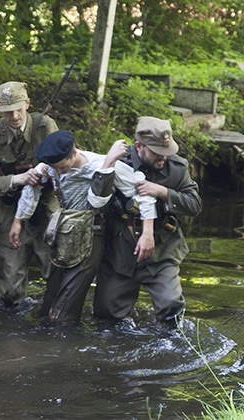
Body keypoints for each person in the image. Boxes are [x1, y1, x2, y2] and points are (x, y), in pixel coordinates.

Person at [9, 130, 157, 326]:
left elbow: (141, 195)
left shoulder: (99, 164)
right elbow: (32, 187)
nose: (59, 173)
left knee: (64, 313)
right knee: (49, 304)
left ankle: (65, 344)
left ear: (74, 153)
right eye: (56, 169)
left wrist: (147, 233)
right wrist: (18, 221)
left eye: (62, 168)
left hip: (92, 235)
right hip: (63, 234)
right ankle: (48, 334)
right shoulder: (50, 165)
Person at [94, 116, 202, 327]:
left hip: (162, 250)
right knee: (107, 314)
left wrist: (163, 192)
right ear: (138, 146)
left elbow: (194, 205)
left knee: (172, 307)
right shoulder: (118, 162)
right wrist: (107, 164)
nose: (163, 158)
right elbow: (96, 197)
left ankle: (170, 348)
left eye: (167, 152)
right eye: (156, 153)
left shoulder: (177, 168)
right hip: (120, 250)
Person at [0, 81, 60, 308]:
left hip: (46, 204)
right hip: (10, 205)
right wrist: (17, 180)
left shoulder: (45, 126)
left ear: (27, 103)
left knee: (56, 270)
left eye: (18, 109)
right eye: (6, 111)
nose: (13, 116)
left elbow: (62, 165)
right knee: (10, 288)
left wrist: (40, 174)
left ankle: (55, 319)